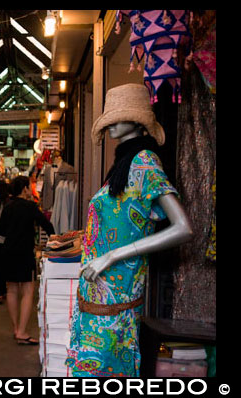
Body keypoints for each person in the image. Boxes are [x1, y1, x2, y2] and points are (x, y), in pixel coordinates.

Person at [66, 83, 193, 377]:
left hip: (117, 299)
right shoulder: (124, 163)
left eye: (117, 117)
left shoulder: (145, 162)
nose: (110, 125)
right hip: (98, 293)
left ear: (136, 120)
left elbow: (183, 228)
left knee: (109, 371)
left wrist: (112, 256)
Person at [0, 176, 55, 345]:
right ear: (24, 189)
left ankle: (16, 328)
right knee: (28, 291)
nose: (31, 191)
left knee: (12, 290)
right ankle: (22, 332)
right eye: (29, 188)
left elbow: (1, 230)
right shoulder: (30, 207)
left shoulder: (7, 206)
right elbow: (47, 226)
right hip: (24, 252)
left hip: (8, 251)